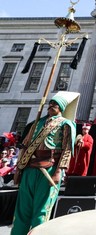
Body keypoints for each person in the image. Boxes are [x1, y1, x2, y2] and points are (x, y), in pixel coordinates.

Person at [11, 91, 79, 234]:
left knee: (42, 210)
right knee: (22, 209)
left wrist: (59, 172)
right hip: (30, 168)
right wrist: (19, 169)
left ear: (61, 107)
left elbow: (67, 150)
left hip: (49, 169)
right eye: (50, 103)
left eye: (55, 103)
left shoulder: (66, 124)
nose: (51, 105)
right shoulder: (37, 122)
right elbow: (25, 146)